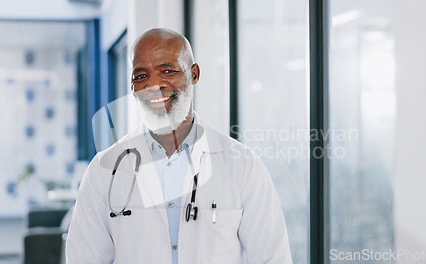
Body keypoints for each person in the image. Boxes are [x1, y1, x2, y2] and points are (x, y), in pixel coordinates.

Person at [66, 28, 292, 264]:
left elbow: (272, 258)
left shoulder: (242, 164)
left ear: (194, 74)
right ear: (132, 86)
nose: (154, 85)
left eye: (167, 71)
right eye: (141, 76)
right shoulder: (103, 171)